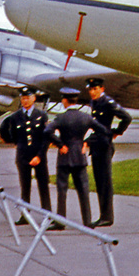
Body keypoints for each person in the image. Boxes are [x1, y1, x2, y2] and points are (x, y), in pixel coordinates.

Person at [45, 88, 109, 228]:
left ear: (65, 100)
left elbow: (47, 131)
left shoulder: (60, 117)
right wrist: (87, 142)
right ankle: (87, 221)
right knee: (83, 189)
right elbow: (103, 131)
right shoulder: (85, 117)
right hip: (80, 155)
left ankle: (60, 222)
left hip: (64, 156)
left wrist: (59, 144)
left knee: (62, 190)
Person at [0, 87, 52, 220]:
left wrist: (39, 156)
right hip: (23, 156)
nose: (25, 100)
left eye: (28, 97)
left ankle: (48, 214)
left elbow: (46, 138)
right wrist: (17, 144)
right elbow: (8, 132)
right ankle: (25, 215)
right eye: (23, 98)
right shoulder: (15, 117)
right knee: (25, 186)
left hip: (39, 155)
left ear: (34, 98)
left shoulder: (41, 115)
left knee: (43, 185)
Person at [85, 78, 132, 228]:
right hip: (96, 144)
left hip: (104, 144)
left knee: (105, 182)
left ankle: (107, 217)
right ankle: (103, 215)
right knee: (99, 182)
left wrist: (116, 132)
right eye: (90, 89)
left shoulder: (107, 102)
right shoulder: (94, 102)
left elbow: (126, 117)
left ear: (102, 89)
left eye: (95, 89)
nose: (92, 92)